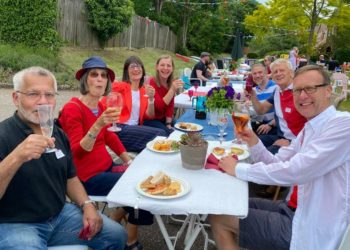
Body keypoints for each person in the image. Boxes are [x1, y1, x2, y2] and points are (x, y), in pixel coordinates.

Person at [210, 65, 350, 250]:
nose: (302, 96)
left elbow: (295, 171)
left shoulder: (342, 125)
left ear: (328, 91)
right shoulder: (310, 128)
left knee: (219, 218)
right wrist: (254, 142)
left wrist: (238, 169)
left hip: (309, 227)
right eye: (297, 90)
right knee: (227, 203)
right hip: (292, 208)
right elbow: (278, 162)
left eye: (310, 89)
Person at [0, 66, 127, 249]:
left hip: (60, 216)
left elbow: (71, 177)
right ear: (16, 98)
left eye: (49, 95)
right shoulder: (3, 135)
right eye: (33, 94)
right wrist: (17, 157)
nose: (43, 101)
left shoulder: (57, 134)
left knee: (117, 235)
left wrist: (88, 204)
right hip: (16, 224)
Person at [59, 56, 153, 249]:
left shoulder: (101, 106)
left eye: (103, 75)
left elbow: (110, 137)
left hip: (107, 167)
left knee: (145, 177)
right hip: (88, 177)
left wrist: (128, 160)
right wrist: (98, 124)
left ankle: (115, 217)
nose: (100, 79)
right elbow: (76, 152)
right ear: (85, 80)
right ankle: (130, 240)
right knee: (140, 191)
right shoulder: (72, 109)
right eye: (94, 75)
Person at [102, 56, 167, 153]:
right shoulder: (120, 86)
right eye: (132, 67)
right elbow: (103, 104)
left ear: (143, 70)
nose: (136, 69)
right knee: (160, 134)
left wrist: (151, 99)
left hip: (134, 128)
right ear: (126, 71)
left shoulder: (143, 91)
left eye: (138, 66)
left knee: (163, 135)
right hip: (119, 128)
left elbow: (149, 115)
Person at [143, 55, 183, 135]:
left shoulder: (170, 83)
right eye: (162, 65)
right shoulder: (151, 82)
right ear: (157, 67)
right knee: (169, 133)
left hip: (163, 118)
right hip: (150, 120)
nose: (165, 68)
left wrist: (168, 123)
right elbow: (160, 106)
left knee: (181, 128)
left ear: (172, 69)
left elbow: (170, 105)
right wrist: (172, 90)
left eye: (168, 66)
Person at [249, 63, 277, 136]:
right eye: (254, 73)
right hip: (258, 124)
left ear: (266, 73)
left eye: (260, 72)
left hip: (272, 127)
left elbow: (283, 114)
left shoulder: (276, 88)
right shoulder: (254, 90)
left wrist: (270, 125)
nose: (257, 75)